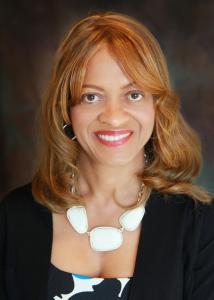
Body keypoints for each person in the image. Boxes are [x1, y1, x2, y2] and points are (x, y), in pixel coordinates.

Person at [0, 11, 214, 300]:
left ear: (156, 105)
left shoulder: (200, 226)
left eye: (133, 94)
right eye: (91, 96)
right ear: (66, 109)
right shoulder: (14, 217)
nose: (113, 118)